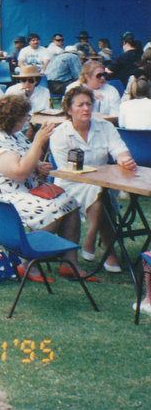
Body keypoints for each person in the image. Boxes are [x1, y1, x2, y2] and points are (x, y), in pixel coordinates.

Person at [0, 95, 83, 282]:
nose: (27, 121)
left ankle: (69, 262)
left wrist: (38, 166)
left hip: (22, 193)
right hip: (0, 199)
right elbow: (19, 172)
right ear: (13, 119)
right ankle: (27, 263)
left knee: (70, 203)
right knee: (52, 209)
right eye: (25, 117)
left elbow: (26, 159)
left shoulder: (15, 135)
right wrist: (38, 142)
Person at [50, 86, 136, 273]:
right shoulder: (60, 134)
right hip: (71, 184)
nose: (86, 108)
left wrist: (124, 159)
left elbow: (119, 150)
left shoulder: (105, 127)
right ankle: (106, 250)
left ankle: (92, 239)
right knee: (100, 194)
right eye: (80, 105)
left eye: (89, 104)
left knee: (100, 192)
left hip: (101, 183)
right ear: (69, 109)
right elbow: (68, 171)